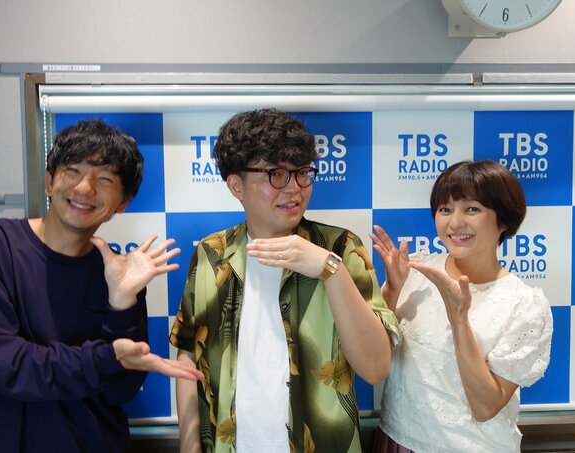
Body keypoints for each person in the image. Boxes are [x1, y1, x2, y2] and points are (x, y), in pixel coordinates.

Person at [0, 119, 203, 453]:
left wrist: (122, 301)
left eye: (105, 178)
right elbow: (5, 365)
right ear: (49, 182)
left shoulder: (119, 272)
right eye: (72, 171)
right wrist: (106, 357)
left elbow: (120, 390)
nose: (85, 188)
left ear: (122, 202)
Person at [170, 108, 401, 452]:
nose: (295, 189)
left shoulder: (340, 247)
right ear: (236, 185)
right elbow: (188, 353)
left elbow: (376, 368)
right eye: (276, 174)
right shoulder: (211, 254)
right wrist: (189, 446)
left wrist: (330, 270)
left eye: (303, 173)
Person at [371, 160, 553, 453]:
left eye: (472, 209)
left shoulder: (525, 305)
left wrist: (459, 320)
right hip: (397, 438)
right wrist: (392, 290)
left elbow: (485, 406)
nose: (455, 223)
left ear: (504, 220)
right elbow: (374, 358)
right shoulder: (415, 270)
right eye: (445, 209)